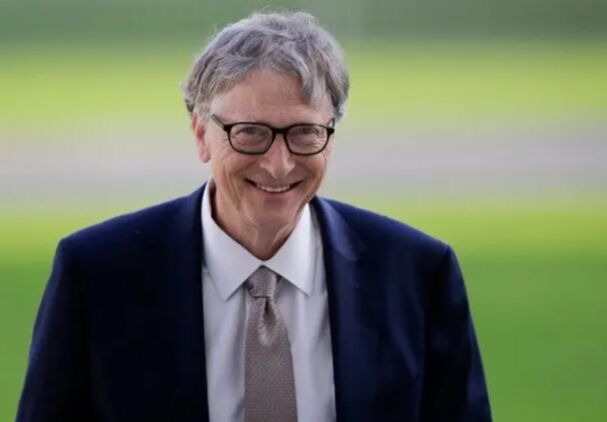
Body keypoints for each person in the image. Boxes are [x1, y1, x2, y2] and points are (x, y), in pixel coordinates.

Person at [17, 11, 491, 422]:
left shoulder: (418, 274)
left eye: (304, 133)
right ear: (201, 134)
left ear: (331, 134)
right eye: (250, 133)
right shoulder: (96, 275)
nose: (278, 164)